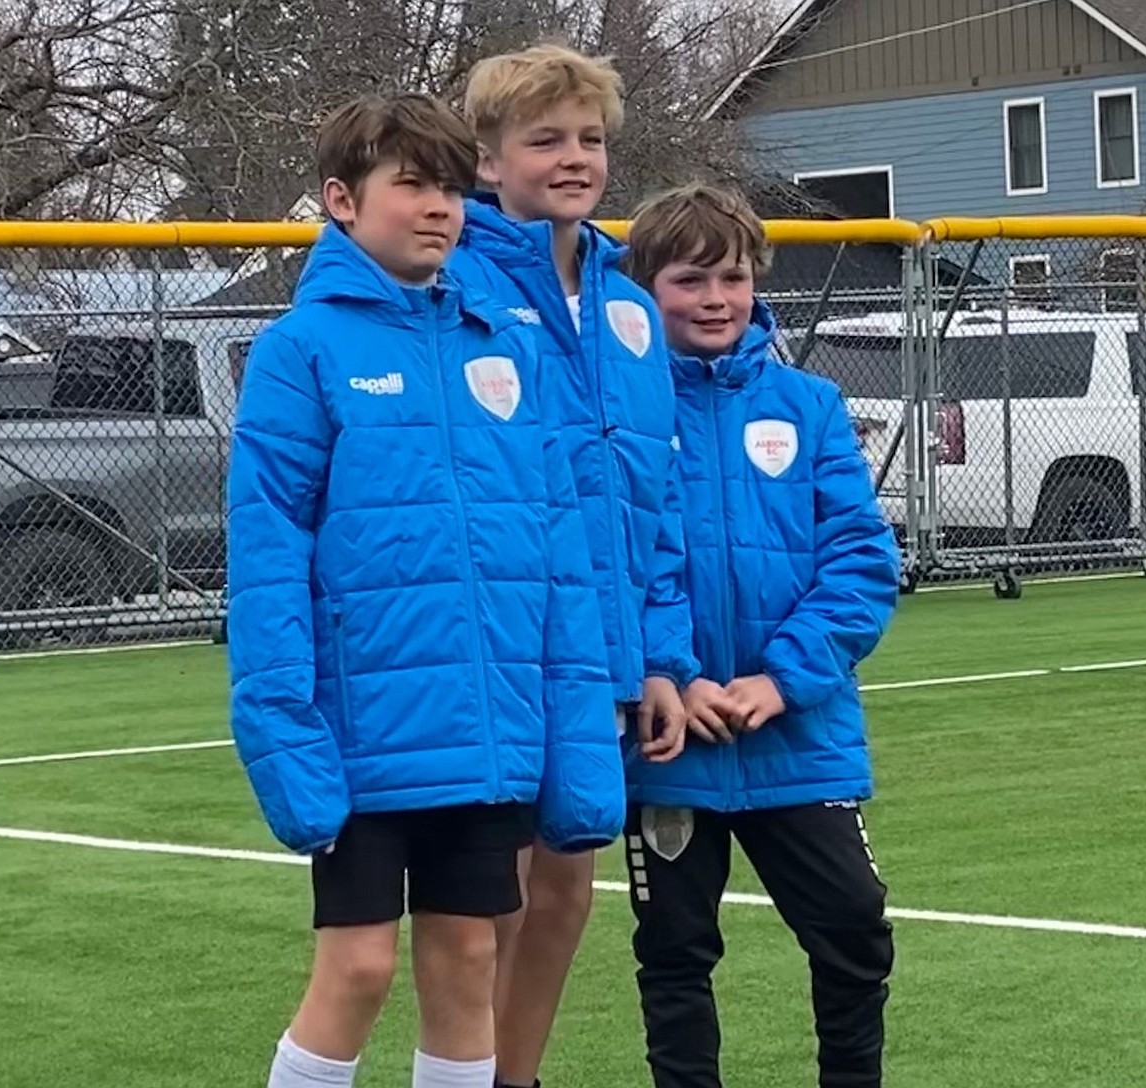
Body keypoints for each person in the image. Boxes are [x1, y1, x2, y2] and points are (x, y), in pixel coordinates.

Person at [225, 91, 622, 1088]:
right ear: (340, 201)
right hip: (362, 735)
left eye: (450, 184)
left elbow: (560, 557)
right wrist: (287, 733)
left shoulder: (508, 344)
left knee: (470, 956)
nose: (438, 204)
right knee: (357, 964)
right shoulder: (298, 351)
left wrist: (572, 735)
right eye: (411, 183)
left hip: (485, 729)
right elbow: (267, 560)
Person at [446, 43, 701, 1088]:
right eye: (544, 138)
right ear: (489, 157)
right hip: (499, 644)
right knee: (486, 892)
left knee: (566, 886)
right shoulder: (448, 282)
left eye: (589, 138)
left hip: (605, 647)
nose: (572, 157)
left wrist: (661, 655)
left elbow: (659, 500)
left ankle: (518, 1074)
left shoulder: (633, 307)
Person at [620, 182, 901, 1088]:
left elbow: (860, 561)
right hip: (672, 739)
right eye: (691, 279)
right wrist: (673, 671)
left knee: (855, 931)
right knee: (675, 953)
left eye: (732, 278)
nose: (715, 299)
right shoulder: (620, 413)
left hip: (799, 735)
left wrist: (785, 679)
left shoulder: (811, 406)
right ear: (645, 287)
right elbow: (623, 561)